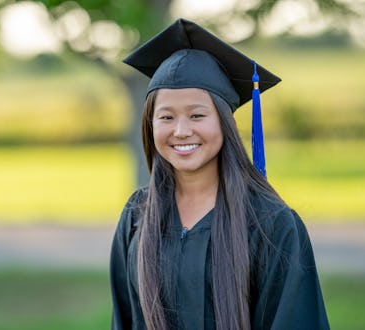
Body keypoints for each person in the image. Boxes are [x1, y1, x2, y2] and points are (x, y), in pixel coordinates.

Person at [109, 18, 330, 330]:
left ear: (225, 122)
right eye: (166, 117)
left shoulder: (269, 223)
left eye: (197, 115)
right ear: (150, 125)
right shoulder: (137, 217)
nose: (181, 131)